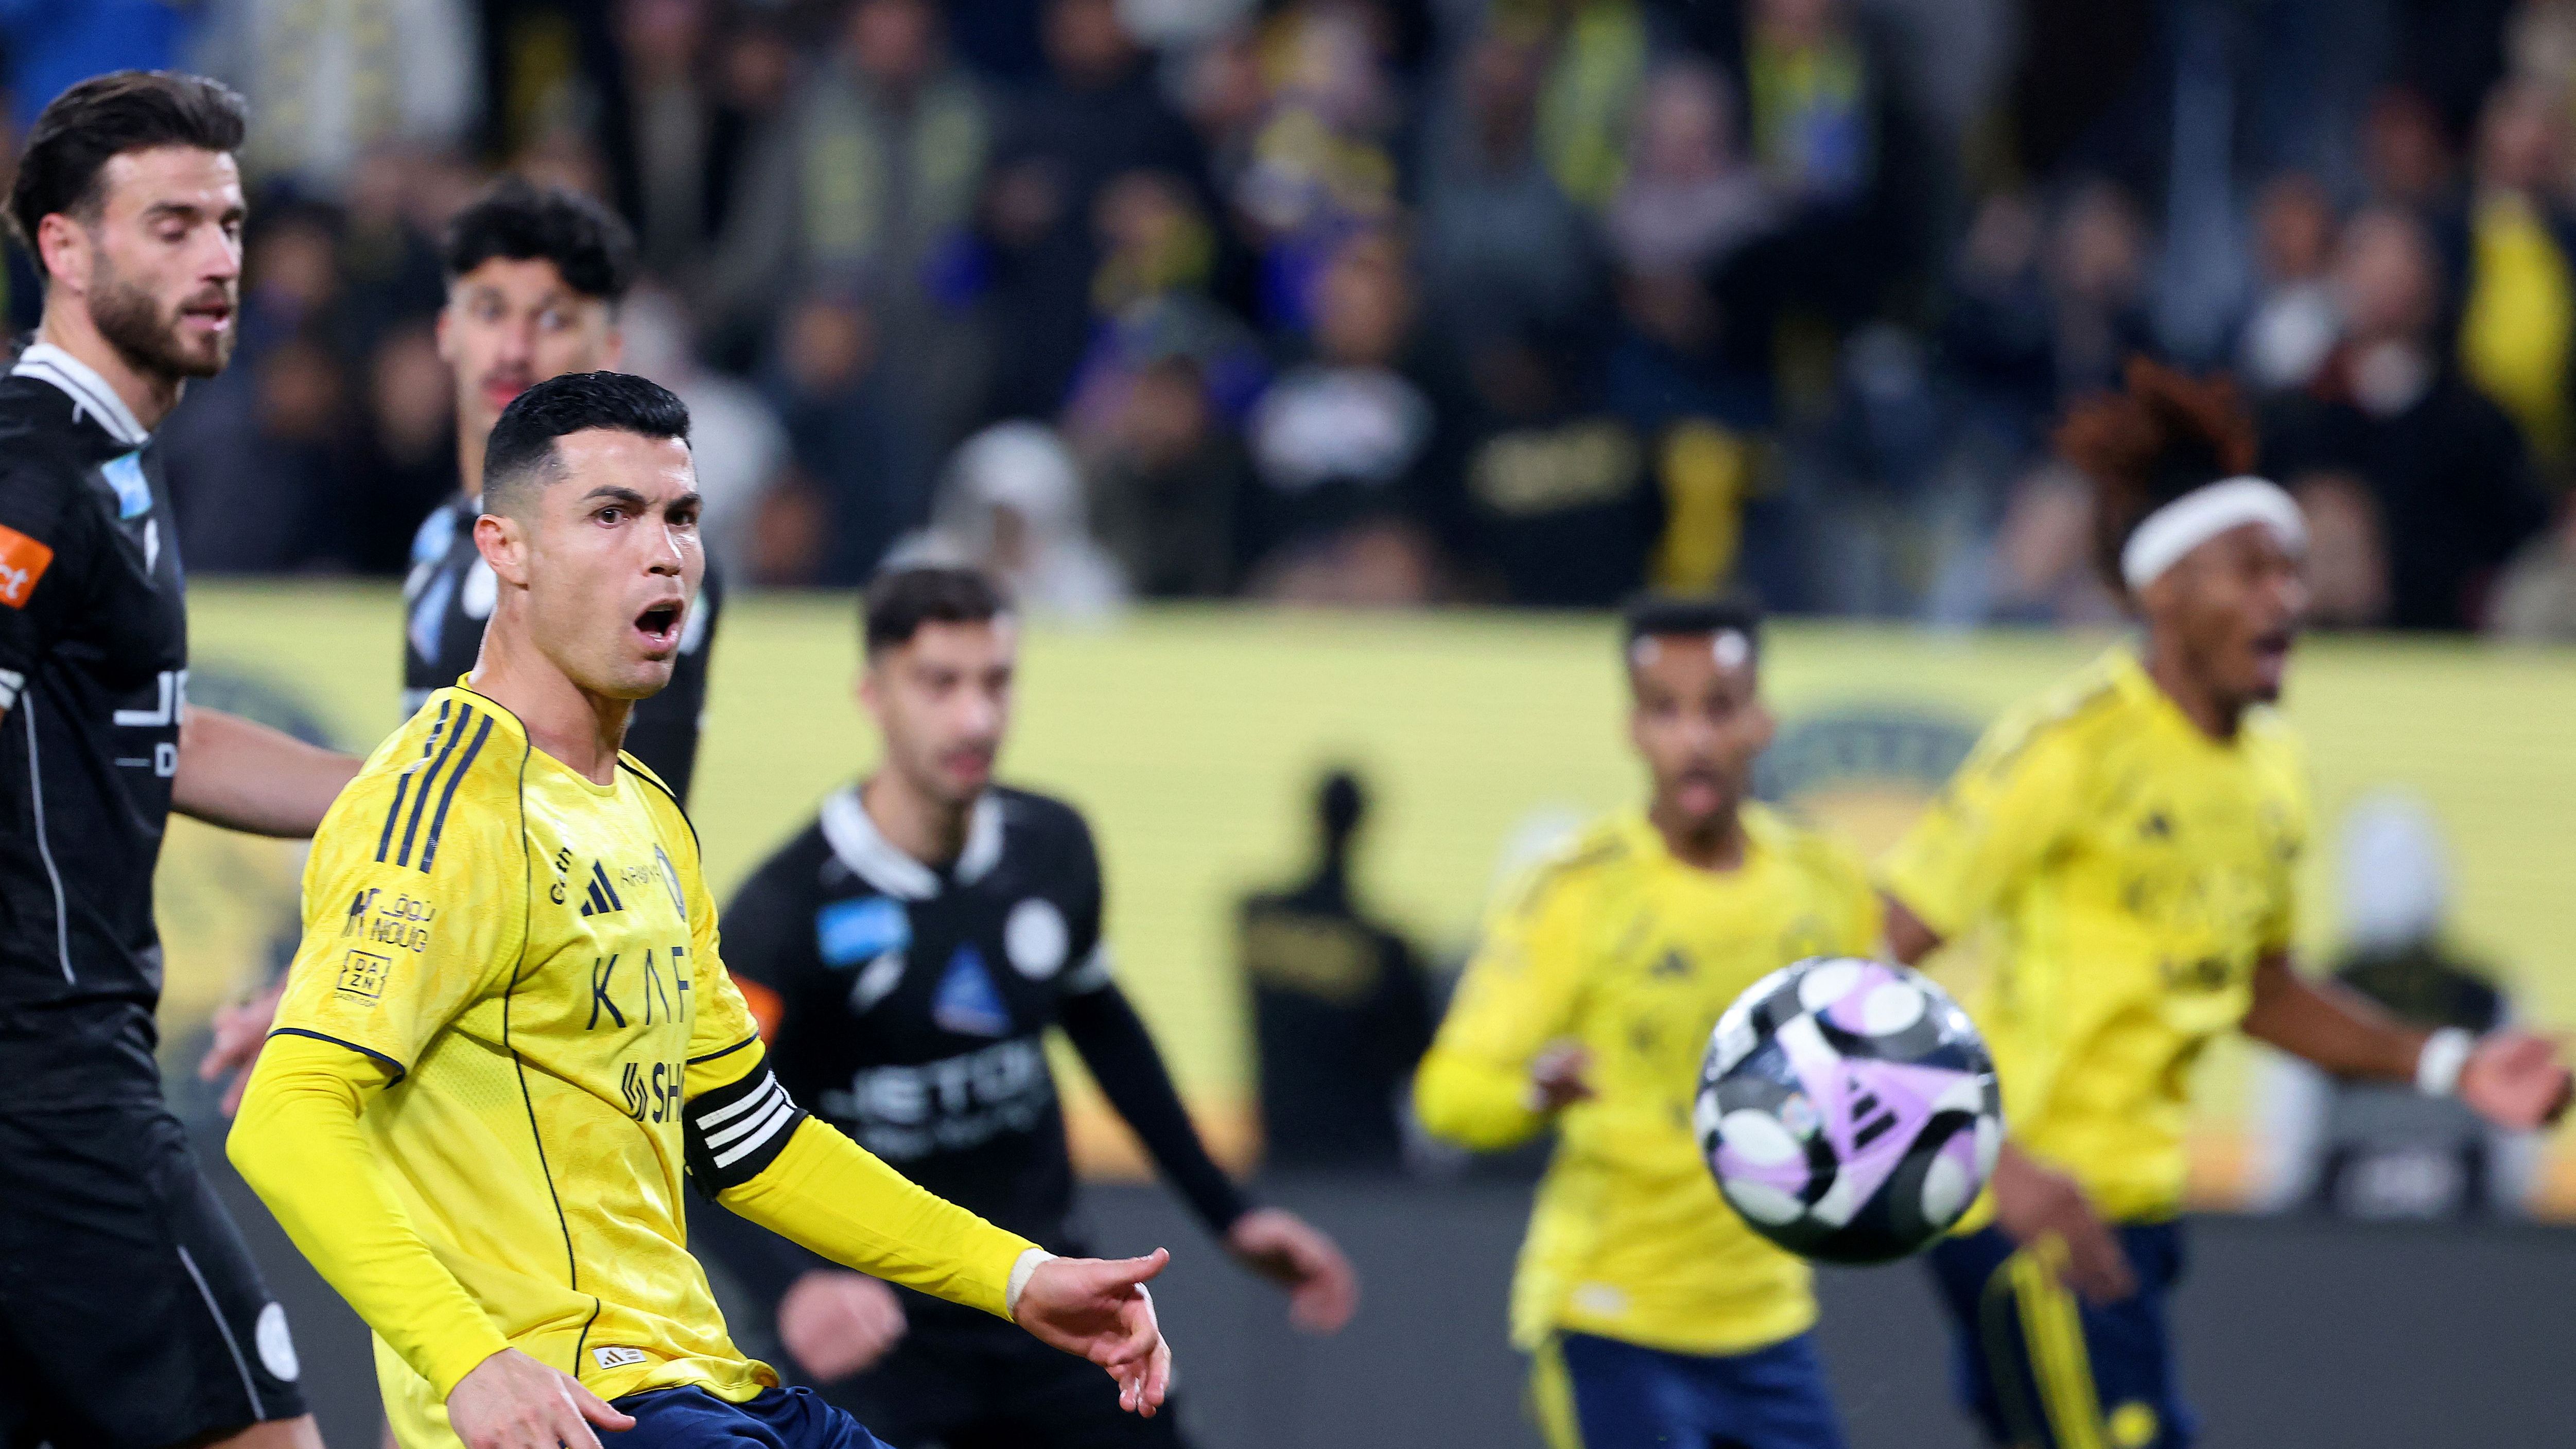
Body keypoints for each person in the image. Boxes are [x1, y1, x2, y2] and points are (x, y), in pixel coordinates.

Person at [228, 373, 1175, 1449]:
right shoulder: (442, 805)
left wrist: (1019, 1276)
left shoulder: (647, 818)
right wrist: (470, 1362)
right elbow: (286, 1116)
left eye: (681, 516)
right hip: (580, 1407)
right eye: (611, 515)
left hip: (710, 1381)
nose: (664, 550)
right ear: (507, 550)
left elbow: (750, 1140)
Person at [1878, 358, 2572, 1449]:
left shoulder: (2270, 774)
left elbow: (2260, 989)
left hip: (2136, 1216)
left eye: (2292, 573)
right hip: (2036, 1221)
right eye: (2250, 571)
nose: (2287, 598)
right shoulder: (2072, 753)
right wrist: (1992, 1166)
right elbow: (1859, 969)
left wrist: (2449, 1064)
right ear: (2164, 590)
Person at [701, 564, 1357, 1447]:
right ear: (873, 694)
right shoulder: (785, 913)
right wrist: (794, 1289)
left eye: (995, 682)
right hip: (883, 1337)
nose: (973, 717)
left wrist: (1228, 1213)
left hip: (1050, 1301)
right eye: (939, 683)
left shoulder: (1053, 847)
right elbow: (699, 1130)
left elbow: (1101, 1023)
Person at [0, 69, 360, 1449]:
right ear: (66, 247)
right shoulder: (36, 469)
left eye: (229, 221)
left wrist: (424, 790)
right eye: (171, 225)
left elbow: (165, 737)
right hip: (56, 1084)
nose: (219, 258)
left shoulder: (114, 463)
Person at [1414, 597, 1877, 1449]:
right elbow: (1445, 1094)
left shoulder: (1824, 886)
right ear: (1633, 729)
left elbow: (1884, 1075)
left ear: (1759, 722)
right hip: (1608, 1315)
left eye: (1718, 708)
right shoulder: (1579, 891)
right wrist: (1529, 1092)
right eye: (1667, 711)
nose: (1694, 740)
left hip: (1768, 1324)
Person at [403, 177, 722, 801]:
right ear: (447, 330)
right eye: (491, 310)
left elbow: (618, 822)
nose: (515, 351)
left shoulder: (642, 554)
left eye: (553, 318)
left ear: (609, 349)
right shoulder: (440, 537)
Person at [1239, 769, 1434, 1174]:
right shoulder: (1388, 951)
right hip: (1366, 1165)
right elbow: (1418, 1057)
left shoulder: (1256, 920)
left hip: (1282, 1154)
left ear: (1316, 817)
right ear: (1365, 826)